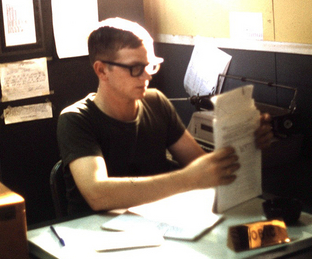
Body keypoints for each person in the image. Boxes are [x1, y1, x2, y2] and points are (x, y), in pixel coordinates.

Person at [57, 18, 273, 215]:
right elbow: (98, 194)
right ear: (102, 70)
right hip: (92, 239)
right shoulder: (75, 120)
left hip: (153, 228)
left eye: (150, 65)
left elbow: (202, 166)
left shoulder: (156, 103)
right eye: (135, 68)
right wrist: (188, 179)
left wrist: (246, 143)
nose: (148, 75)